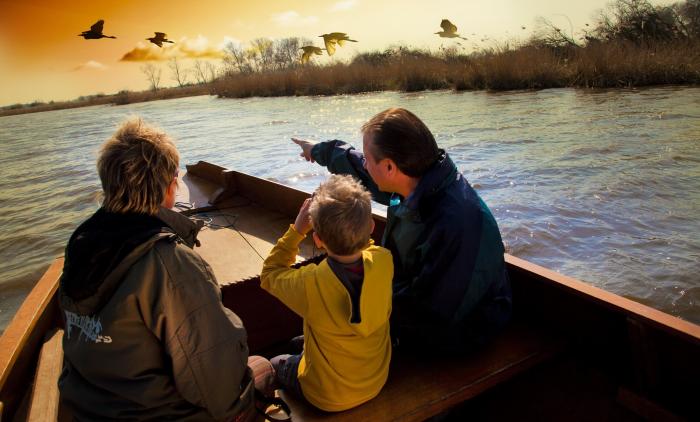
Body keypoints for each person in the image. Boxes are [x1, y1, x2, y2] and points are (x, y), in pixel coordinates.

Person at [58, 117, 273, 421]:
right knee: (264, 365)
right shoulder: (170, 263)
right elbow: (219, 385)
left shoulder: (82, 242)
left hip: (89, 408)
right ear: (170, 184)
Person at [292, 107, 512, 354]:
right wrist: (318, 150)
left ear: (389, 168)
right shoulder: (419, 178)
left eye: (368, 157)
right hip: (415, 300)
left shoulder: (456, 224)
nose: (365, 163)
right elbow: (361, 168)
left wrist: (348, 318)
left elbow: (429, 312)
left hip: (461, 333)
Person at [260, 175, 393, 412]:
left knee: (272, 362)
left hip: (325, 397)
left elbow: (270, 273)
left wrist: (297, 230)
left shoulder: (310, 282)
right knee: (297, 342)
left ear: (318, 240)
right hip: (375, 381)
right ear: (371, 227)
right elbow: (369, 247)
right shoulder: (384, 260)